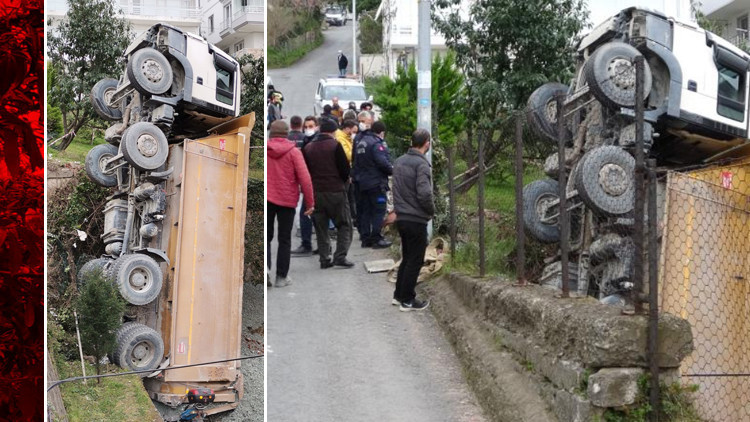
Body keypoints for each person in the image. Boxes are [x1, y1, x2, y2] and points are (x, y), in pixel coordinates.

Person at [267, 120, 315, 288]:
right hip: (287, 201)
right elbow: (305, 179)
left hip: (268, 199)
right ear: (286, 134)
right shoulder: (294, 152)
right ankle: (281, 277)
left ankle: (265, 271)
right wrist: (310, 203)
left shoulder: (265, 150)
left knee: (267, 236)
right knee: (284, 239)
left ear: (271, 134)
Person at [391, 129, 435, 311]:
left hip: (401, 217)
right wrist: (431, 211)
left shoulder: (399, 161)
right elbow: (424, 193)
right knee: (415, 260)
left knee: (407, 257)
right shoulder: (422, 164)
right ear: (427, 143)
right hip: (416, 218)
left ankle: (398, 295)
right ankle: (408, 300)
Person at [302, 118, 354, 268]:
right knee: (344, 224)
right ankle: (340, 256)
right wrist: (343, 183)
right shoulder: (335, 145)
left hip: (316, 192)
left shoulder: (308, 147)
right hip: (335, 191)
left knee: (321, 227)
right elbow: (345, 170)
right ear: (333, 131)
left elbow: (305, 171)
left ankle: (324, 258)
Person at [352, 111, 392, 248]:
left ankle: (365, 238)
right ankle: (376, 238)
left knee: (366, 211)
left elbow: (355, 162)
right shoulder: (376, 144)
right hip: (376, 183)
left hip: (363, 183)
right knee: (379, 210)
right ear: (381, 132)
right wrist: (392, 170)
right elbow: (383, 163)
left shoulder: (361, 141)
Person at [291, 116, 320, 255]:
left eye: (311, 126)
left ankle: (308, 244)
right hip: (311, 183)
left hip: (316, 184)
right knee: (312, 214)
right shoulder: (307, 141)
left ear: (317, 126)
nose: (308, 129)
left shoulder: (315, 142)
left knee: (309, 214)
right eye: (306, 127)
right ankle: (317, 245)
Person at [336, 119, 359, 225]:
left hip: (349, 170)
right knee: (346, 197)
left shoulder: (347, 138)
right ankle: (346, 220)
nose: (354, 134)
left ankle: (352, 218)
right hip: (345, 172)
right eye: (353, 132)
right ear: (347, 129)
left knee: (350, 197)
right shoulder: (340, 138)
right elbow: (348, 155)